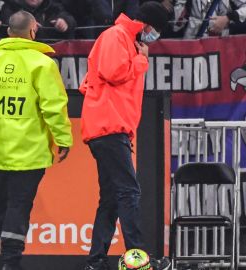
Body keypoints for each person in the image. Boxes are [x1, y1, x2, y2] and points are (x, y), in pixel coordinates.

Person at [0, 10, 73, 270]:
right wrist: (63, 139)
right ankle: (10, 263)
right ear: (33, 31)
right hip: (29, 154)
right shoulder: (42, 64)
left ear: (8, 31)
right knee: (19, 207)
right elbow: (54, 107)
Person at [78, 2, 171, 270]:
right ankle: (137, 260)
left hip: (112, 127)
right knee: (129, 192)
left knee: (110, 197)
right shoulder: (116, 36)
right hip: (109, 127)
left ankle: (96, 262)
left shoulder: (127, 41)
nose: (156, 37)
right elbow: (112, 72)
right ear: (148, 25)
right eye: (157, 30)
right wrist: (141, 61)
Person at [0, 0, 76, 39]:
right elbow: (6, 22)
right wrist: (25, 24)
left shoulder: (52, 7)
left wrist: (65, 22)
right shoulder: (11, 7)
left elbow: (69, 17)